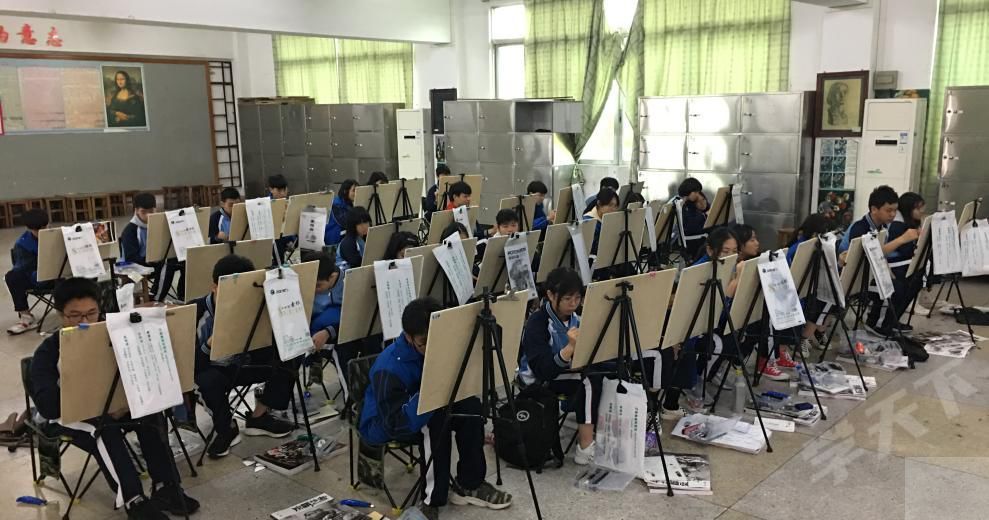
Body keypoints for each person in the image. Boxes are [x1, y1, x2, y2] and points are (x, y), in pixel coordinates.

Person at [30, 278, 199, 519]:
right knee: (102, 428)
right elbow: (47, 407)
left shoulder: (112, 336)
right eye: (75, 315)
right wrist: (95, 403)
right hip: (68, 416)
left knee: (149, 412)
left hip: (114, 406)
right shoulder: (48, 352)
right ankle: (134, 500)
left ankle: (166, 486)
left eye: (91, 313)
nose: (85, 321)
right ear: (60, 315)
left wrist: (125, 402)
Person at [359, 298, 512, 519]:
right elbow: (394, 423)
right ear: (409, 337)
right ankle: (432, 498)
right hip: (385, 423)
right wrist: (431, 391)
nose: (431, 346)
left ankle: (470, 483)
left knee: (471, 406)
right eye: (424, 342)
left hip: (429, 403)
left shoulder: (431, 347)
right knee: (436, 422)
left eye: (436, 339)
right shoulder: (390, 367)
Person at [192, 255, 297, 459]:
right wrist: (209, 344)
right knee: (205, 380)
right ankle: (226, 429)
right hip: (216, 369)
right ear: (214, 287)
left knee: (291, 351)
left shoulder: (255, 305)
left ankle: (259, 416)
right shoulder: (197, 313)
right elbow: (190, 365)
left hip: (246, 363)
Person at [518, 267, 603, 465]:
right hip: (537, 379)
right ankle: (585, 447)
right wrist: (570, 348)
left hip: (565, 371)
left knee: (606, 372)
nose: (573, 304)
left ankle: (598, 430)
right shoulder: (537, 322)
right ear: (550, 295)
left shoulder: (576, 317)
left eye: (577, 298)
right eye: (567, 298)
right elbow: (543, 370)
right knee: (588, 381)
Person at [839, 185, 920, 335]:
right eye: (889, 210)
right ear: (874, 209)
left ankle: (890, 322)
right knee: (895, 288)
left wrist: (890, 273)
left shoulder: (882, 227)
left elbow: (880, 256)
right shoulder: (860, 227)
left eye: (895, 210)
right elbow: (864, 256)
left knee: (910, 281)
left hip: (871, 272)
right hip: (854, 277)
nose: (893, 214)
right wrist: (902, 239)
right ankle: (876, 324)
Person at [783, 213, 832, 359]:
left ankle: (815, 332)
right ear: (815, 233)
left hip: (806, 290)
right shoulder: (800, 249)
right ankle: (802, 338)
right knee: (821, 301)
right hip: (794, 293)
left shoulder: (809, 245)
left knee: (832, 299)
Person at [120, 192, 183, 302]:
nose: (148, 215)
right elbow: (131, 257)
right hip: (136, 265)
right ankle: (156, 298)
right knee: (166, 265)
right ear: (136, 211)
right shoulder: (130, 230)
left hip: (156, 261)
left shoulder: (160, 225)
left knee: (185, 260)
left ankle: (182, 294)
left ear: (156, 209)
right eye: (143, 212)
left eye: (151, 212)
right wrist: (150, 260)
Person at [302, 251, 345, 390]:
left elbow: (351, 317)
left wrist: (328, 331)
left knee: (344, 348)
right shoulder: (306, 282)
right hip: (310, 329)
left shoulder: (348, 282)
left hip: (339, 331)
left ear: (332, 276)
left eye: (318, 285)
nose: (314, 290)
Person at [5, 209, 49, 334]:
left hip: (60, 275)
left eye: (44, 228)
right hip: (37, 278)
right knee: (12, 276)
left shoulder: (58, 235)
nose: (41, 232)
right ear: (29, 229)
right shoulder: (23, 244)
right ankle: (26, 316)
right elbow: (23, 269)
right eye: (37, 230)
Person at [672, 178, 709, 261]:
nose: (697, 195)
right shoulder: (682, 205)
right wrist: (704, 215)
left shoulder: (689, 202)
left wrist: (705, 207)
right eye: (696, 192)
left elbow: (707, 208)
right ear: (688, 191)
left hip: (698, 234)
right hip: (692, 239)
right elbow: (690, 226)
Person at [582, 188, 620, 257]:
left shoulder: (608, 218)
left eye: (615, 206)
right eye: (610, 205)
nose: (613, 209)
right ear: (599, 204)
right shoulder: (588, 222)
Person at [325, 179, 358, 247]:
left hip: (342, 233)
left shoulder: (348, 202)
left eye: (357, 190)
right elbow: (345, 222)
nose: (356, 193)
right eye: (354, 190)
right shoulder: (336, 204)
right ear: (345, 191)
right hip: (334, 237)